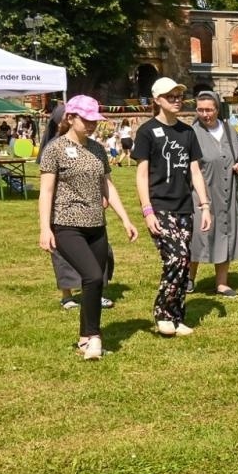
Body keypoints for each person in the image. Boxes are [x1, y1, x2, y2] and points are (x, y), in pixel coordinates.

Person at [37, 95, 138, 361]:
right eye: (87, 119)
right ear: (71, 118)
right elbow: (46, 191)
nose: (93, 125)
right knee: (93, 276)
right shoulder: (55, 149)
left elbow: (108, 186)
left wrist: (125, 219)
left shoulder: (97, 149)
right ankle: (94, 337)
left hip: (97, 225)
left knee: (96, 282)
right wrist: (45, 229)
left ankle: (86, 336)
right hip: (67, 224)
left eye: (95, 120)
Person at [133, 78, 212, 337]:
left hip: (184, 207)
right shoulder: (146, 132)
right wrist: (147, 210)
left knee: (183, 261)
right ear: (157, 100)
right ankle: (162, 313)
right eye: (171, 96)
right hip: (159, 206)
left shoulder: (187, 132)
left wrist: (205, 205)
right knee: (175, 258)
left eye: (179, 95)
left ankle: (176, 317)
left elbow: (195, 172)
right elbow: (142, 175)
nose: (177, 100)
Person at [188, 90, 238, 298]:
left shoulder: (230, 131)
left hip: (228, 193)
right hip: (201, 195)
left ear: (217, 109)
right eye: (200, 110)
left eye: (209, 110)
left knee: (226, 232)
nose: (205, 114)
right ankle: (188, 279)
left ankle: (222, 283)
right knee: (197, 236)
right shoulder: (191, 133)